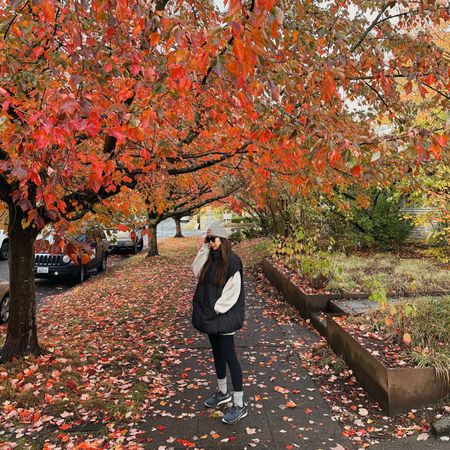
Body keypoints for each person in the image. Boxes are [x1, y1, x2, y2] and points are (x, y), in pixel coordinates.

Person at [191, 223, 247, 424]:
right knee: (217, 355)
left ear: (222, 239)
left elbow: (233, 292)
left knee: (230, 357)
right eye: (208, 239)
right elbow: (195, 271)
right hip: (211, 316)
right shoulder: (209, 258)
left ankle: (240, 404)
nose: (211, 243)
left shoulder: (232, 261)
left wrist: (216, 310)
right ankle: (223, 392)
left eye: (213, 239)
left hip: (223, 316)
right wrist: (203, 249)